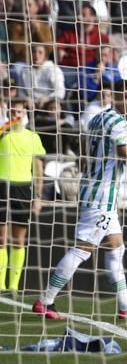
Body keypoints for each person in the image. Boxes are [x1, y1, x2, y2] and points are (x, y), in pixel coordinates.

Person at [34, 82, 127, 320]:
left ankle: (126, 307)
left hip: (93, 190)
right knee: (82, 250)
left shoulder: (96, 119)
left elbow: (92, 151)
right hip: (102, 196)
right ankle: (45, 300)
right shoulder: (120, 123)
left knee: (116, 247)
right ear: (115, 96)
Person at [0, 100, 44, 291]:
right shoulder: (2, 133)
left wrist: (38, 195)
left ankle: (14, 286)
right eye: (12, 112)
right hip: (2, 186)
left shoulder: (33, 137)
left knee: (19, 239)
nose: (16, 115)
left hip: (23, 189)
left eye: (19, 112)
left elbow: (39, 169)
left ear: (25, 113)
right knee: (1, 239)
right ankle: (0, 285)